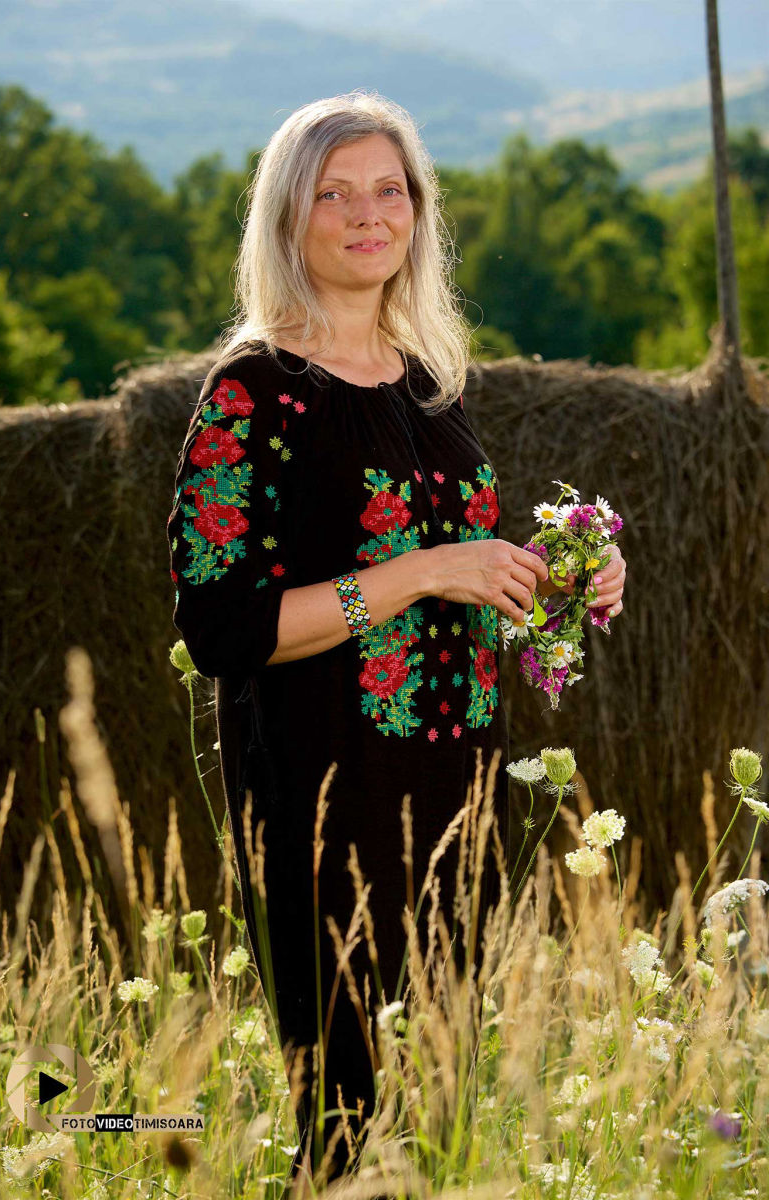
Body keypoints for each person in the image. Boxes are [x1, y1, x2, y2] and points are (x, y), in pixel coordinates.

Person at [166, 91, 626, 1192]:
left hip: (453, 785)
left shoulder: (428, 387)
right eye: (336, 192)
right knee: (349, 1117)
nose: (368, 215)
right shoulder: (253, 394)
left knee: (443, 1111)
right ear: (289, 216)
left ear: (417, 212)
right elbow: (223, 629)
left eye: (390, 190)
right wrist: (422, 571)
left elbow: (455, 576)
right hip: (325, 791)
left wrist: (559, 579)